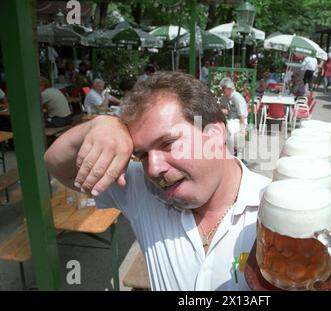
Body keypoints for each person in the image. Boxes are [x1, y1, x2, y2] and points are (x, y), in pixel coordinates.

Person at [44, 71, 271, 290]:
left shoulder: (276, 209)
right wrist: (101, 125)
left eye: (168, 144)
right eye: (141, 154)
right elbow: (56, 164)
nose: (153, 169)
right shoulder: (141, 189)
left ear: (215, 134)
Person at [220, 77, 248, 160]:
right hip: (230, 119)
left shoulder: (237, 97)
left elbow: (242, 116)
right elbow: (224, 108)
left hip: (239, 121)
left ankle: (234, 155)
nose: (222, 90)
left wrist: (242, 130)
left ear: (229, 89)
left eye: (223, 89)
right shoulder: (225, 97)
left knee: (230, 130)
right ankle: (228, 152)